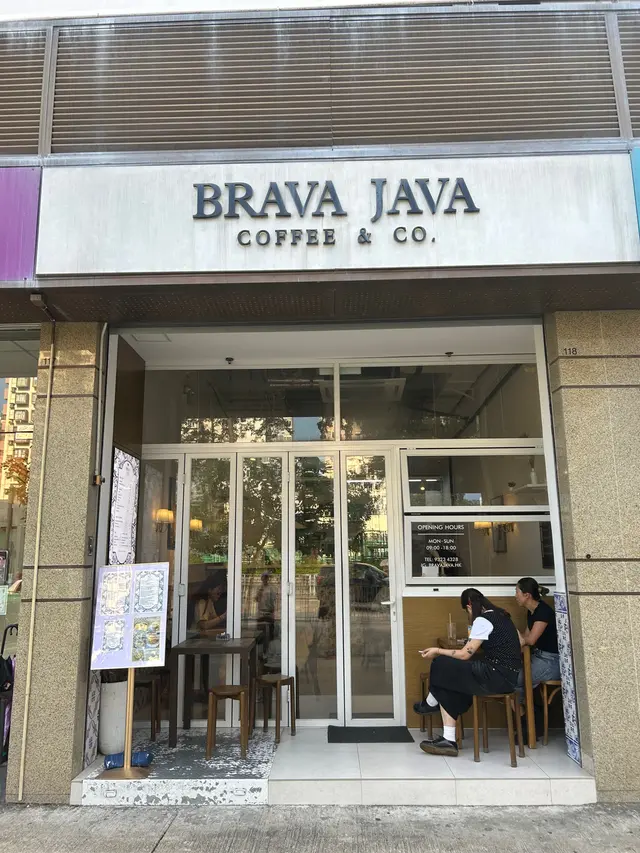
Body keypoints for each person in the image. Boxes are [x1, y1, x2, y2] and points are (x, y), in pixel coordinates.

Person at [414, 588, 522, 757]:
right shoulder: (503, 615)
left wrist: (437, 650)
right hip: (509, 678)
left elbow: (465, 654)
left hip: (493, 676)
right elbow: (519, 641)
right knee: (448, 680)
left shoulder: (483, 620)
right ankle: (448, 739)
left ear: (469, 607)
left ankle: (431, 702)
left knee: (440, 663)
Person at [515, 577, 560, 695]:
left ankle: (524, 707)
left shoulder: (543, 612)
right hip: (539, 656)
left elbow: (530, 640)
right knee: (512, 677)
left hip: (551, 661)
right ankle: (525, 706)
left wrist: (516, 635)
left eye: (517, 592)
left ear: (527, 595)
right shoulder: (531, 611)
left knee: (515, 679)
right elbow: (526, 635)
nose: (515, 596)